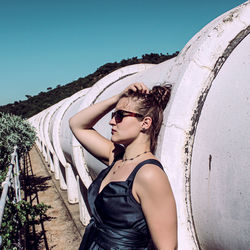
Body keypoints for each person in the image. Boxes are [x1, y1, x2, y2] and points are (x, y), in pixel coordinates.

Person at [69, 82, 177, 250]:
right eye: (113, 114)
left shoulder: (149, 174)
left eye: (120, 115)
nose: (112, 121)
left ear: (145, 123)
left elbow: (167, 247)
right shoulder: (116, 157)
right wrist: (118, 98)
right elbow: (77, 124)